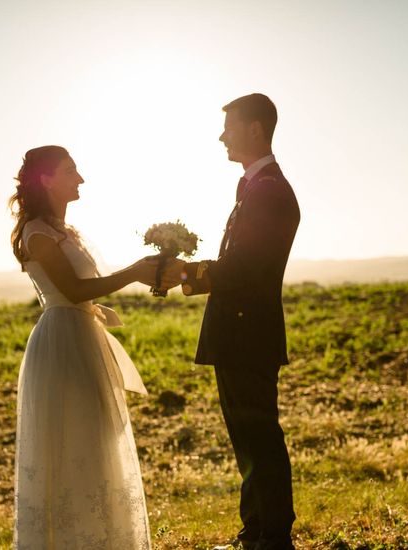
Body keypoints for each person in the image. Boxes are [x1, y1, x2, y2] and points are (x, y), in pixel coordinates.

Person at [9, 145, 178, 548]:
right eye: (71, 172)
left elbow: (78, 293)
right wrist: (134, 272)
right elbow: (70, 289)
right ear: (46, 180)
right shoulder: (37, 233)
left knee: (97, 438)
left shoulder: (67, 232)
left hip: (82, 335)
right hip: (62, 344)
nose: (80, 179)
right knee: (72, 442)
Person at [173, 93, 300, 550]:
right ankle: (255, 533)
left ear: (254, 130)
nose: (222, 135)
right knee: (247, 439)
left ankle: (272, 538)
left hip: (249, 333)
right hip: (240, 332)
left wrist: (185, 273)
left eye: (229, 126)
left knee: (259, 437)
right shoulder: (253, 185)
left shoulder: (270, 191)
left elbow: (245, 267)